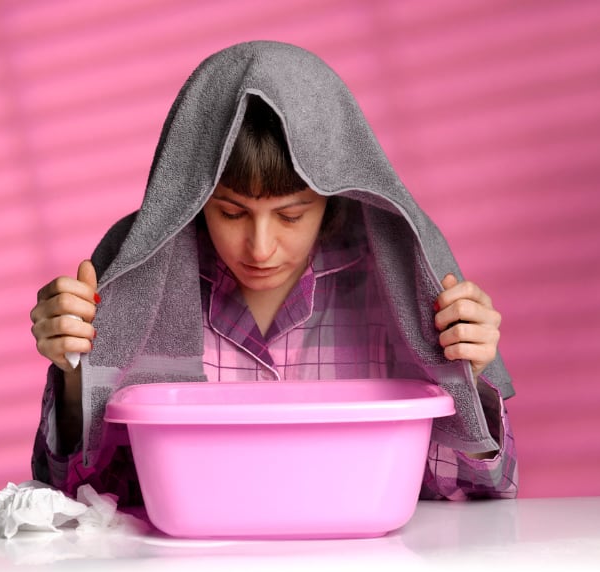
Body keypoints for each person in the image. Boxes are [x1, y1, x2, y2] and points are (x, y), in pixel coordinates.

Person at [29, 41, 517, 505]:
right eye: (232, 213)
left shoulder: (399, 289)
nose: (260, 249)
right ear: (193, 202)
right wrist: (75, 375)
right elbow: (75, 498)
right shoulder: (138, 281)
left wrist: (465, 376)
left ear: (334, 197)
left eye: (290, 215)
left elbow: (484, 490)